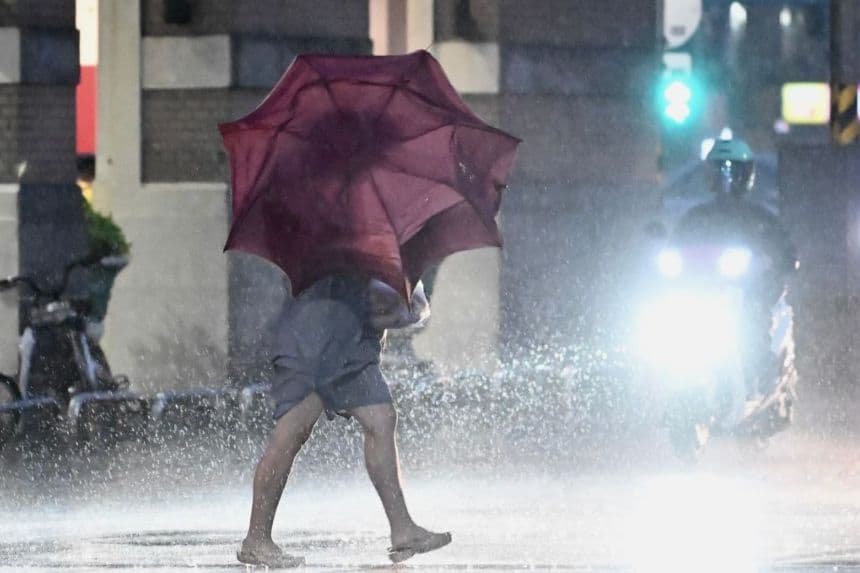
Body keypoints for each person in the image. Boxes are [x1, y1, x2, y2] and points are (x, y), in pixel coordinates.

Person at [237, 273, 450, 568]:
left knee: (379, 420)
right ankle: (257, 539)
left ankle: (402, 528)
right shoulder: (328, 255)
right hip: (316, 345)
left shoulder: (369, 255)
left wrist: (389, 305)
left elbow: (399, 308)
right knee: (292, 434)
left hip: (347, 347)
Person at [671, 135, 797, 396]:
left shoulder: (761, 219)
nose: (726, 178)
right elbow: (675, 247)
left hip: (749, 293)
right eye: (719, 171)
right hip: (701, 292)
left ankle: (761, 372)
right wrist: (670, 260)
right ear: (709, 175)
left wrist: (778, 261)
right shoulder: (695, 219)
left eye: (733, 171)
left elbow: (784, 250)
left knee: (754, 319)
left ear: (746, 175)